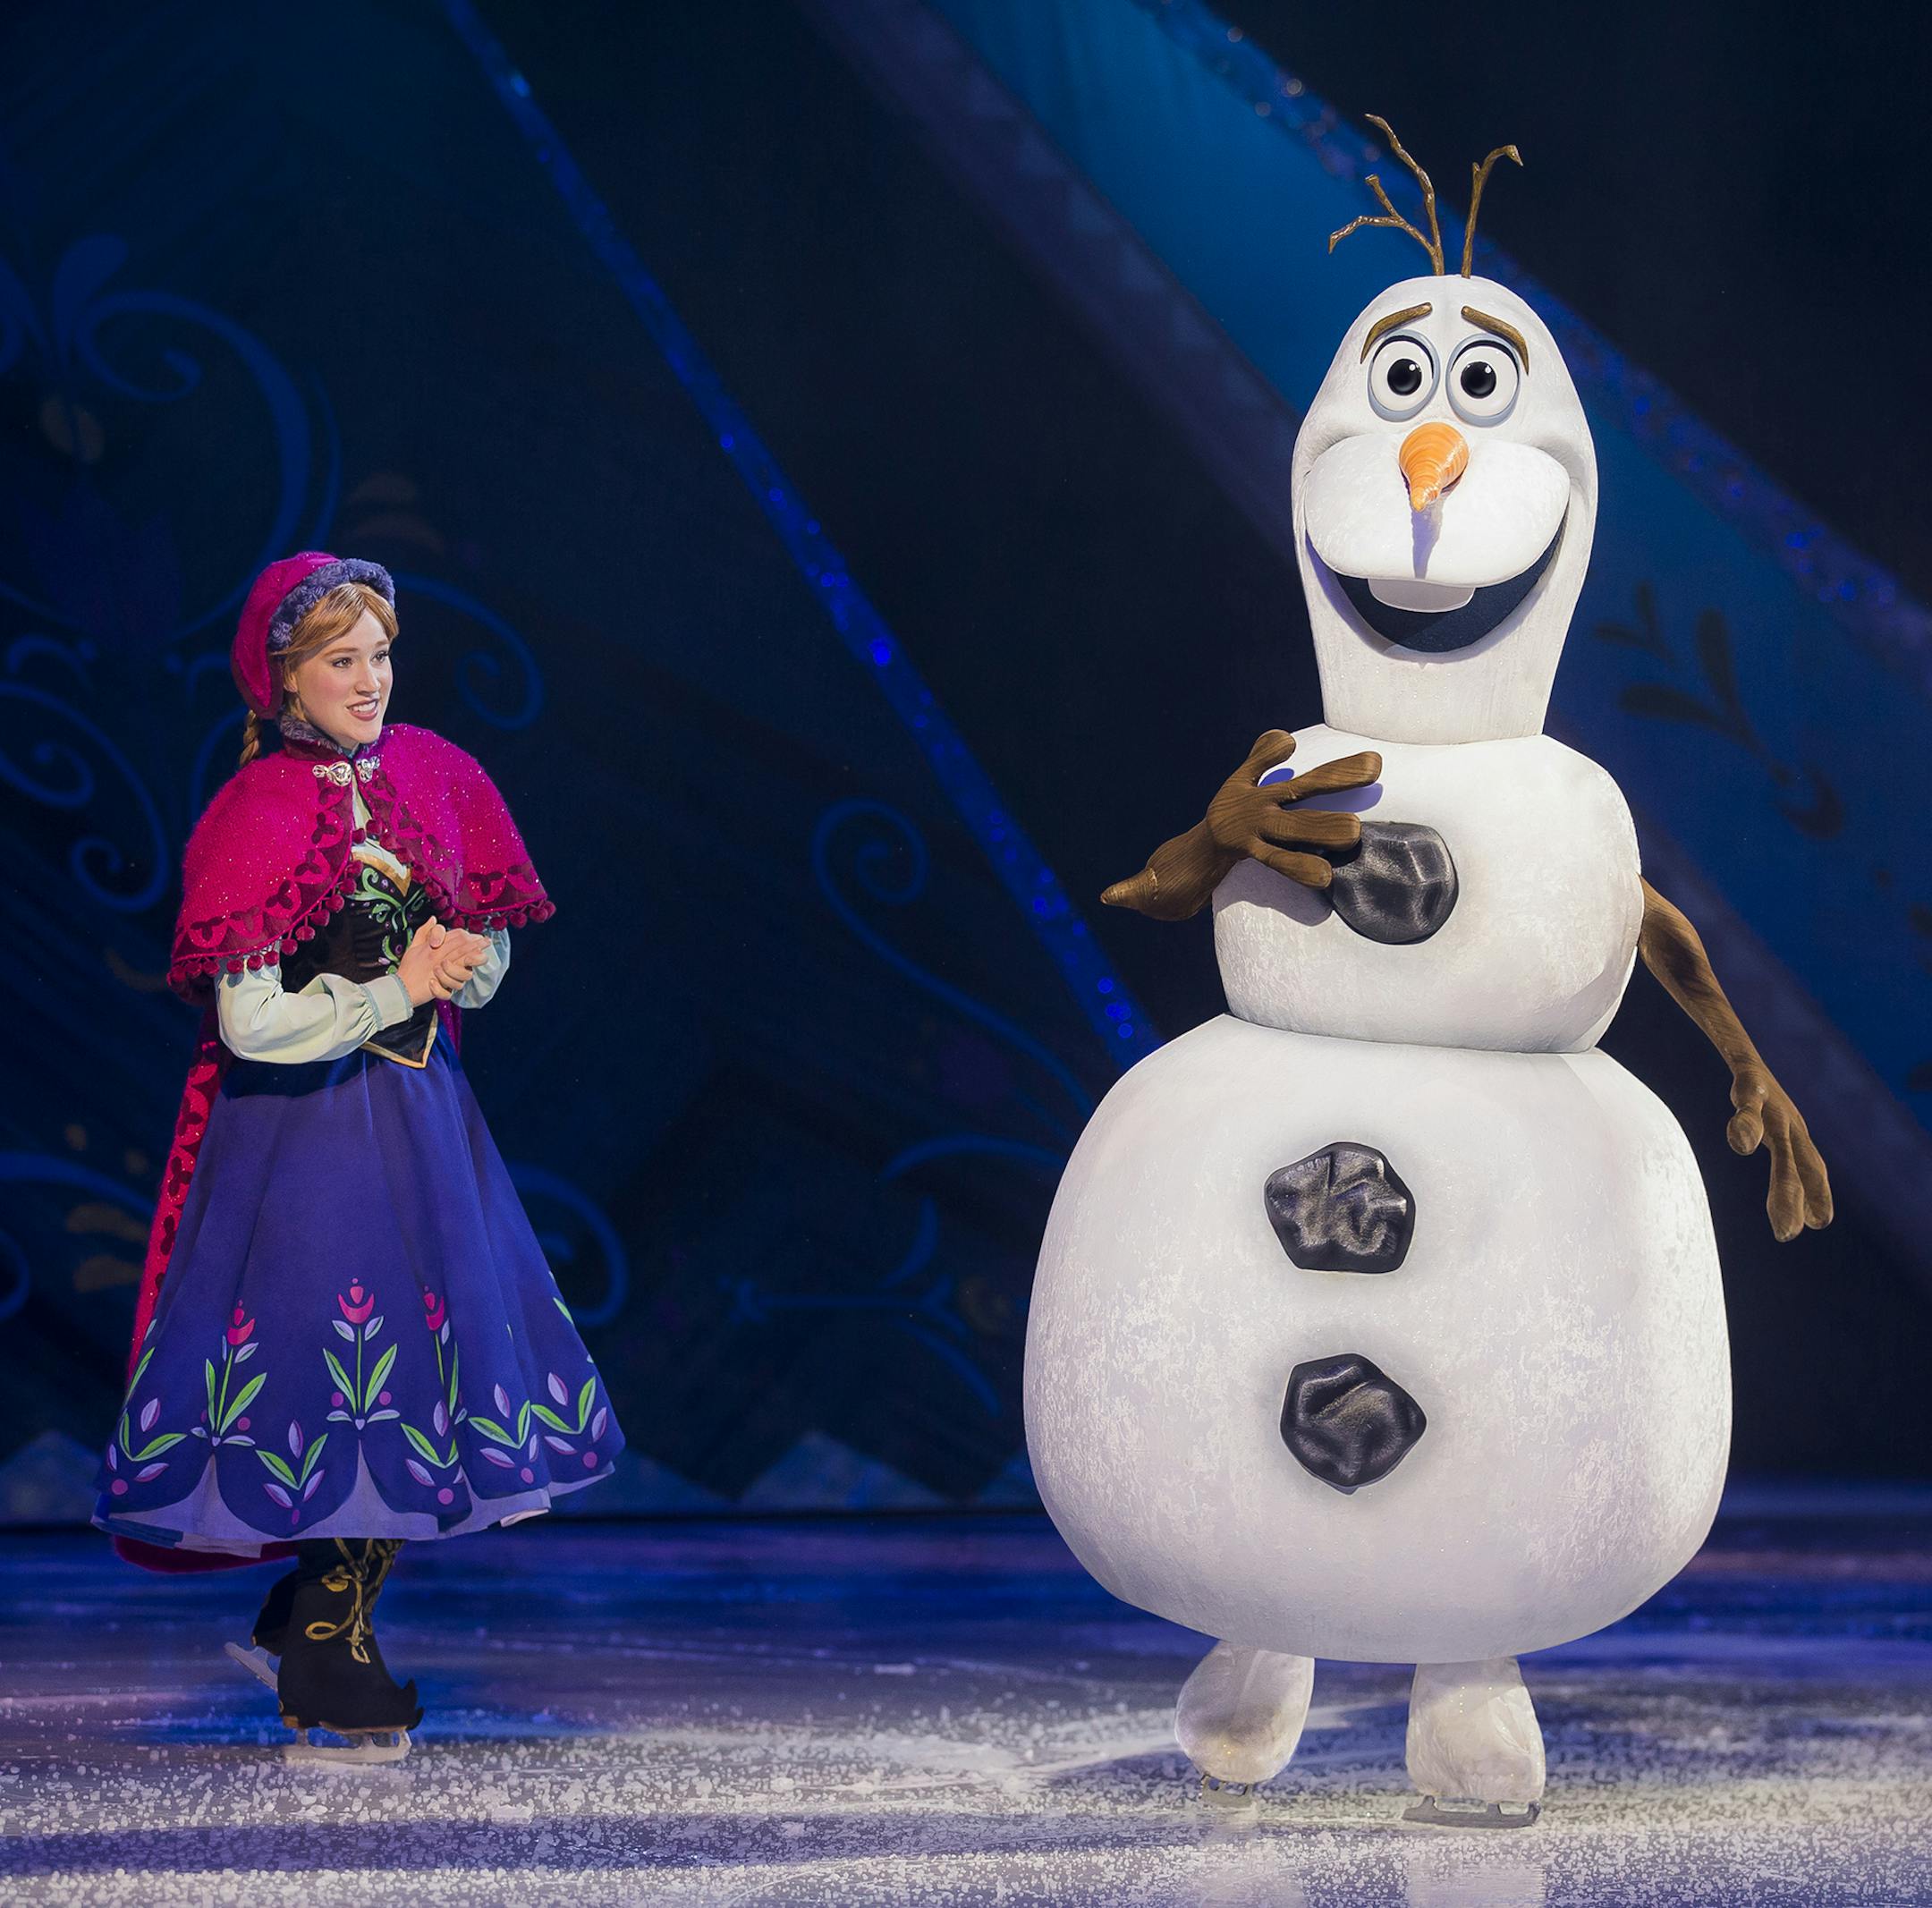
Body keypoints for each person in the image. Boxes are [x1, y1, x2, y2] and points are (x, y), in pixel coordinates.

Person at [93, 552, 623, 1761]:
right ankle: (327, 1640)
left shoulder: (437, 776)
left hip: (423, 1120)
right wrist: (393, 982)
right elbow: (249, 1021)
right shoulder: (257, 812)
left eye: (381, 654)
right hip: (303, 1131)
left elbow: (480, 972)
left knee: (426, 1376)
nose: (371, 679)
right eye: (343, 659)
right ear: (286, 676)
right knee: (334, 1376)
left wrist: (450, 959)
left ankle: (315, 1614)